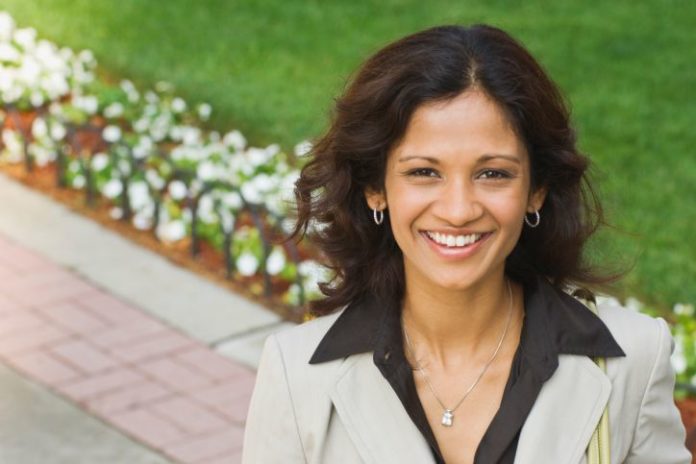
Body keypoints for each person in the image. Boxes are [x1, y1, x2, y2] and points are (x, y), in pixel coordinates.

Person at [242, 24, 691, 464]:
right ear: (375, 188)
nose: (458, 210)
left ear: (536, 189)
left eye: (492, 173)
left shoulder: (634, 358)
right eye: (424, 172)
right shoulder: (295, 373)